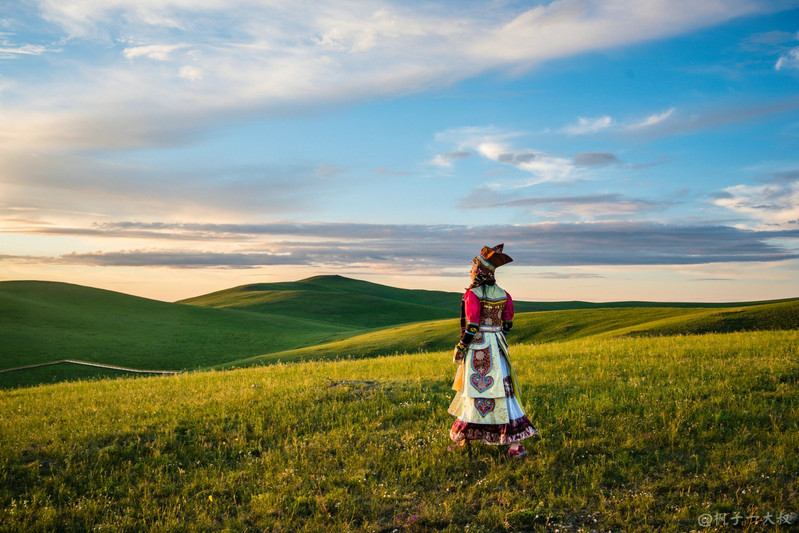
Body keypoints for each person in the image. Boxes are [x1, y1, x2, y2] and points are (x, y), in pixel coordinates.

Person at [448, 243, 538, 457]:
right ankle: (515, 446)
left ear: (479, 270)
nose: (470, 272)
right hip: (498, 346)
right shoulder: (504, 294)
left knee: (474, 390)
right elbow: (508, 324)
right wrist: (496, 331)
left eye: (472, 268)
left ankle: (465, 440)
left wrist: (461, 347)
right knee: (505, 393)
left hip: (479, 345)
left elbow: (471, 326)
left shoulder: (473, 294)